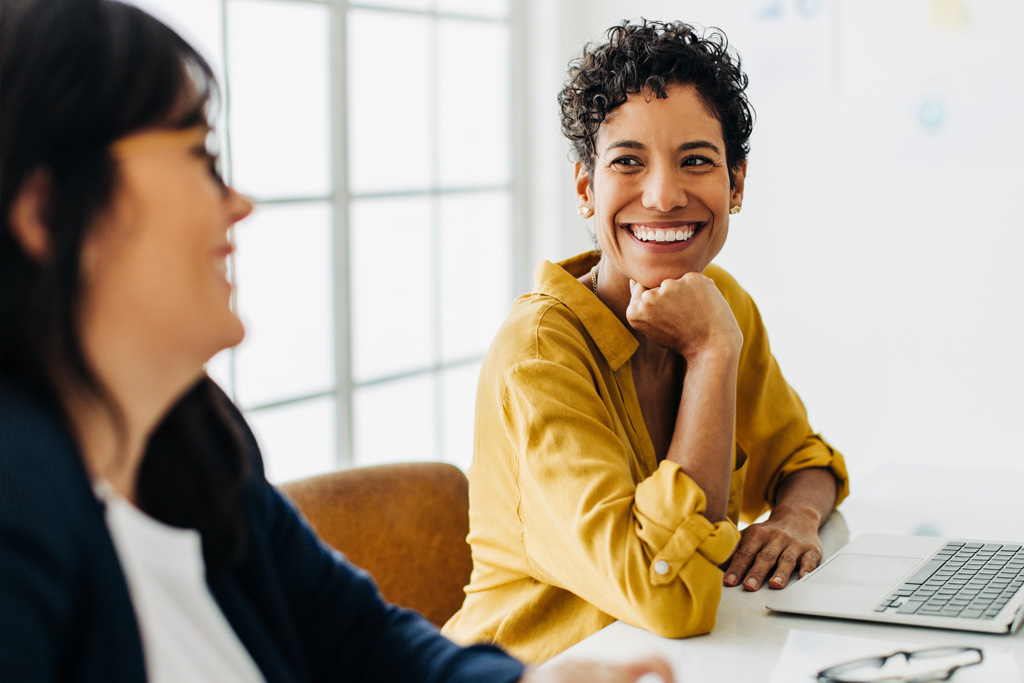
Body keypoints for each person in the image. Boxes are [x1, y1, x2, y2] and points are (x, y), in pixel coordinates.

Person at [0, 1, 674, 681]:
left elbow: (359, 639)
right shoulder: (19, 499)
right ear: (47, 211)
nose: (238, 204)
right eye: (199, 157)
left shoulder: (195, 438)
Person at [442, 20, 850, 662]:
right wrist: (711, 355)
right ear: (586, 188)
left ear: (736, 185)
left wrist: (793, 519)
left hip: (680, 666)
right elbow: (669, 596)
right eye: (628, 161)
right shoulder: (541, 353)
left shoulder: (720, 303)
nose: (663, 196)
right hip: (533, 670)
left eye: (696, 161)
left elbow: (804, 460)